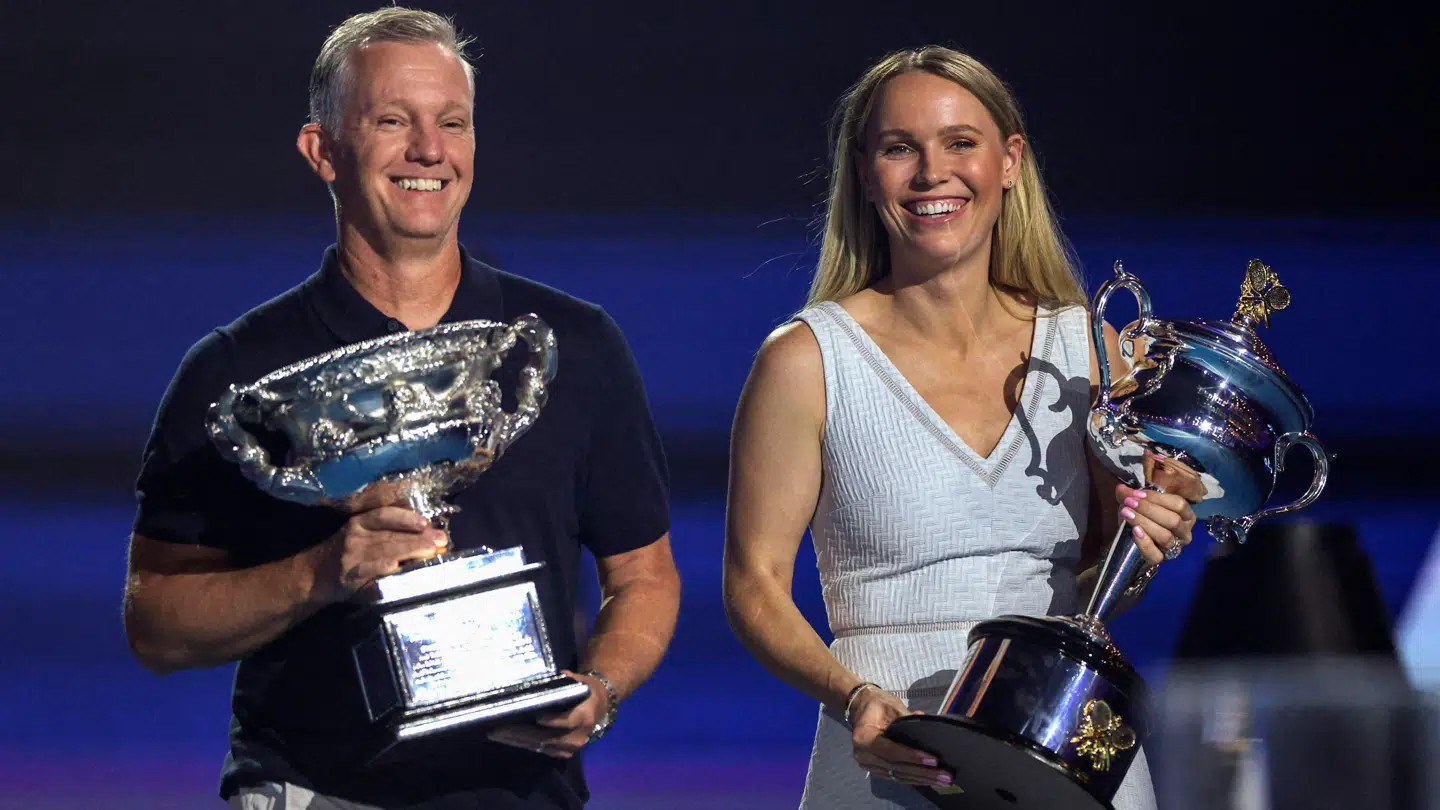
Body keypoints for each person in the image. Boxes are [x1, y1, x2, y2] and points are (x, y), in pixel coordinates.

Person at [122, 8, 680, 809]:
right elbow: (157, 627)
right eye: (393, 121)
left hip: (518, 794)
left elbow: (645, 576)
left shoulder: (570, 347)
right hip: (312, 788)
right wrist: (322, 572)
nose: (430, 150)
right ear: (323, 151)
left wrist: (600, 686)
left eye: (452, 122)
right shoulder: (239, 373)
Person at [722, 46, 1200, 810]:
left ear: (1009, 161)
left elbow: (1107, 580)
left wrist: (1151, 537)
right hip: (890, 756)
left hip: (1065, 748)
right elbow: (753, 588)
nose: (930, 173)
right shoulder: (807, 360)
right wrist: (855, 700)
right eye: (899, 148)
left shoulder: (1084, 346)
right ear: (865, 169)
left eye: (959, 143)